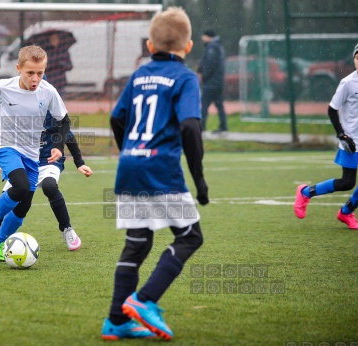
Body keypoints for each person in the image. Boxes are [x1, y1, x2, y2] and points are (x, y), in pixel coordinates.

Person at [101, 7, 209, 341]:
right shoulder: (186, 78)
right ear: (188, 47)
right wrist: (199, 178)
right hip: (160, 170)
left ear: (150, 46)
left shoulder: (139, 75)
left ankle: (116, 321)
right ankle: (145, 300)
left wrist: (130, 151)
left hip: (131, 166)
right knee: (190, 237)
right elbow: (190, 125)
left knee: (137, 244)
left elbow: (116, 119)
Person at [0, 45, 71, 261]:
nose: (35, 78)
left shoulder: (48, 91)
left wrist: (59, 145)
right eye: (30, 73)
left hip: (31, 152)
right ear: (18, 68)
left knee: (24, 204)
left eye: (40, 73)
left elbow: (64, 120)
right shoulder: (4, 87)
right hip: (6, 145)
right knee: (18, 186)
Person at [294, 40, 358, 230]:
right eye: (357, 58)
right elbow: (332, 110)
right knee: (347, 182)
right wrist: (342, 135)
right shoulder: (347, 83)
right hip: (351, 141)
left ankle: (346, 213)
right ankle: (306, 192)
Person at [0, 114, 93, 251]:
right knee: (12, 196)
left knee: (50, 186)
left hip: (49, 162)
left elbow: (69, 136)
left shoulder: (51, 114)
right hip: (26, 163)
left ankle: (67, 229)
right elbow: (12, 145)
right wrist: (0, 166)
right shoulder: (23, 115)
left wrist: (79, 163)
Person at [197, 29, 227, 135]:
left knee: (204, 105)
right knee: (219, 105)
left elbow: (210, 64)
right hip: (217, 82)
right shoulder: (218, 46)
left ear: (208, 36)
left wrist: (204, 76)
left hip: (211, 83)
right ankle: (223, 127)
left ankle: (201, 127)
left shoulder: (212, 47)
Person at [43, 32, 73, 97]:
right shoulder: (46, 52)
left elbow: (70, 66)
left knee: (59, 102)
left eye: (55, 38)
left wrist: (60, 64)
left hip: (60, 82)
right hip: (49, 81)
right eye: (52, 39)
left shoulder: (63, 51)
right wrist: (52, 63)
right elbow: (43, 67)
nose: (54, 41)